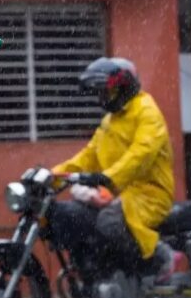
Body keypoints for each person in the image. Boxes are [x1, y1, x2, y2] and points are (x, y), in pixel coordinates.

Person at [51, 57, 177, 282]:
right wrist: (52, 176)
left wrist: (109, 177)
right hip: (120, 192)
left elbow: (141, 154)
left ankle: (158, 258)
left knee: (109, 221)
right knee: (80, 216)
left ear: (124, 87)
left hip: (150, 194)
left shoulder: (146, 112)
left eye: (106, 92)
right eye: (100, 93)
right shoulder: (111, 119)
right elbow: (88, 155)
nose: (102, 98)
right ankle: (105, 274)